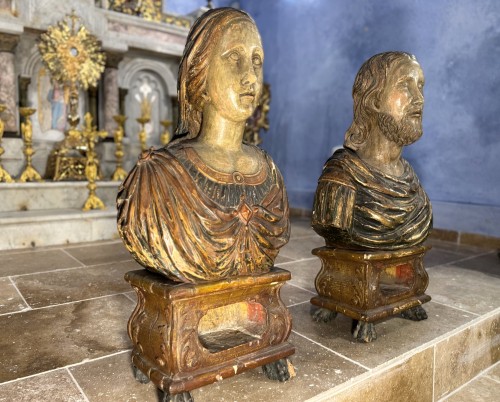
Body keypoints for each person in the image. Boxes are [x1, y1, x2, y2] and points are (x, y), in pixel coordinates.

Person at [117, 8, 290, 283]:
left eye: (256, 60)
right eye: (234, 57)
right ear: (200, 74)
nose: (250, 76)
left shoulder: (269, 173)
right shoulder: (158, 177)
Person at [312, 52, 432, 250]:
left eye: (420, 86)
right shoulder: (341, 178)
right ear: (375, 100)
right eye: (405, 85)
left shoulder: (413, 186)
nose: (419, 99)